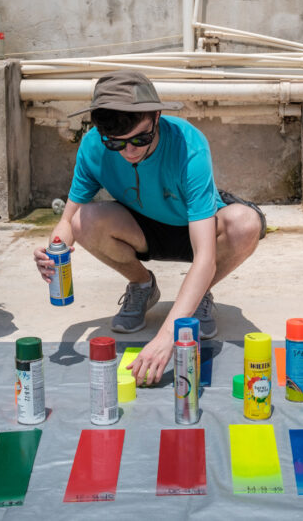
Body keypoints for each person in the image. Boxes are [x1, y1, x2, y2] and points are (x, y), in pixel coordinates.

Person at [34, 70, 266, 385]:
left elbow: (205, 257)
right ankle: (142, 286)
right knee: (81, 220)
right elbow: (66, 219)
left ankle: (197, 296)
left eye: (140, 139)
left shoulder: (189, 145)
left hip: (194, 227)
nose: (130, 151)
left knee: (246, 223)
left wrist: (166, 336)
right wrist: (54, 251)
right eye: (115, 142)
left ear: (156, 116)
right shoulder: (92, 147)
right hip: (141, 227)